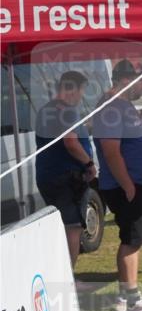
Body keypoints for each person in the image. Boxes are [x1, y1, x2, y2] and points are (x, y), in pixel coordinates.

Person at [92, 60, 142, 311]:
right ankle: (131, 298)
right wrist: (128, 185)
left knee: (135, 238)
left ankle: (126, 296)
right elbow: (111, 151)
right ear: (126, 79)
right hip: (125, 185)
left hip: (133, 182)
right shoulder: (111, 106)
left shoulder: (123, 105)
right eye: (141, 80)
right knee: (132, 240)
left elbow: (134, 139)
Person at [34, 71, 97, 268]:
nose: (80, 97)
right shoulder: (66, 110)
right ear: (72, 89)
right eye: (81, 91)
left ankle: (62, 273)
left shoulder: (45, 110)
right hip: (65, 178)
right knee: (73, 227)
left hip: (47, 175)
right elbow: (70, 142)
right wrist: (89, 164)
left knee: (62, 226)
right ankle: (68, 277)